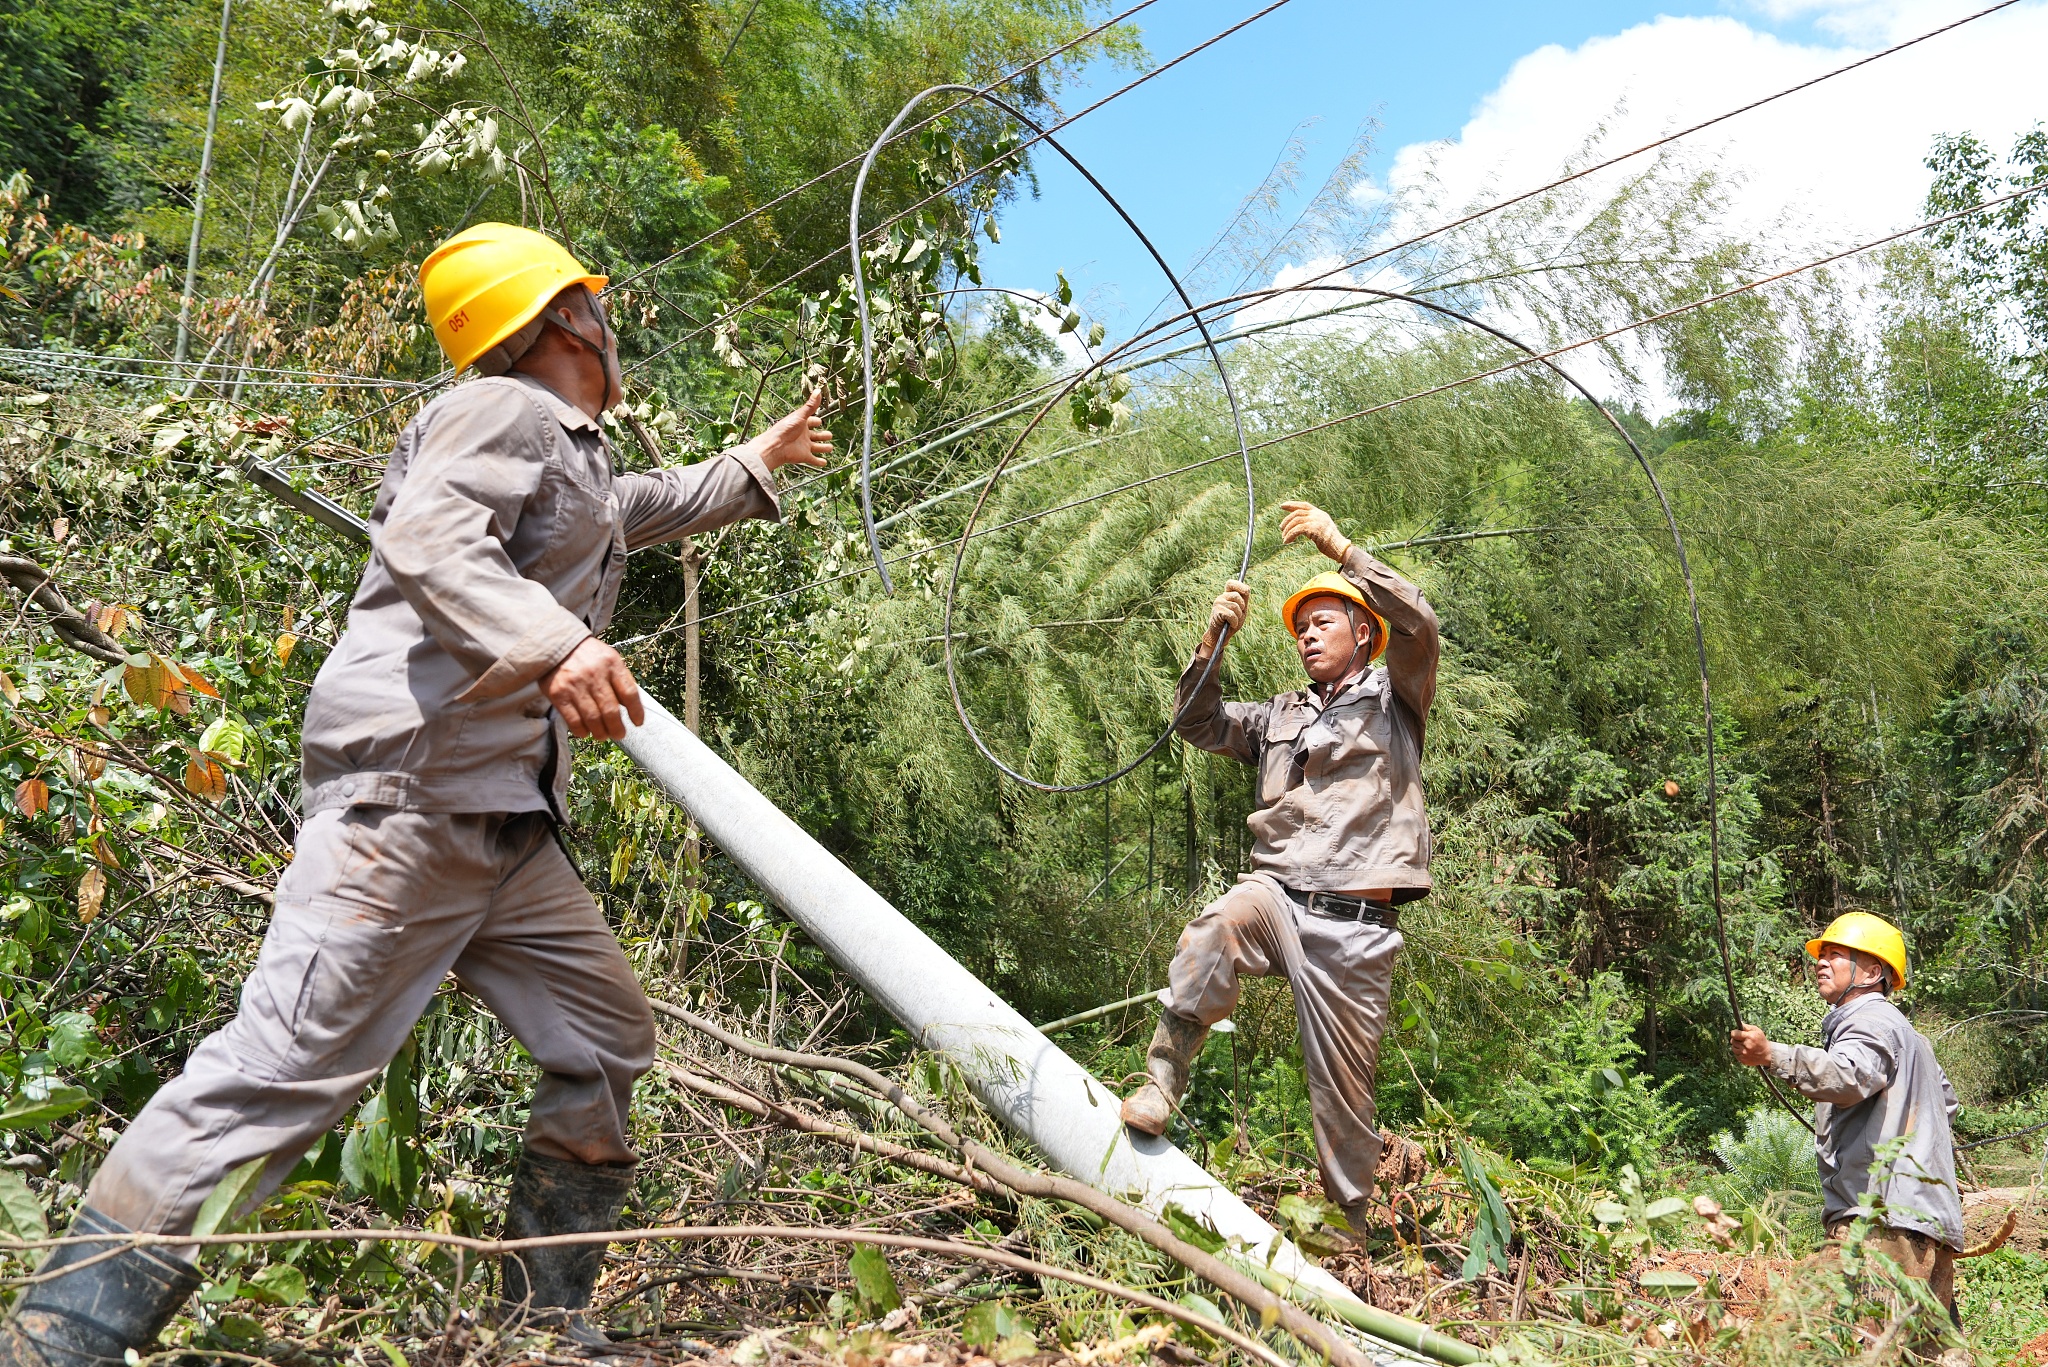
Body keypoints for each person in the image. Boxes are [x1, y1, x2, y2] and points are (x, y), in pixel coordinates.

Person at [0, 223, 833, 1364]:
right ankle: (55, 1343)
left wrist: (755, 462)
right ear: (561, 318)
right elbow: (431, 537)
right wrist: (557, 647)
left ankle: (545, 1326)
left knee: (601, 1033)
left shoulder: (569, 451)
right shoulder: (500, 411)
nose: (609, 313)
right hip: (407, 804)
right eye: (593, 297)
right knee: (274, 1074)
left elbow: (634, 501)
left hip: (499, 822)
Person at [1120, 501, 1439, 1235]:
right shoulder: (1280, 714)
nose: (1305, 635)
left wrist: (1341, 547)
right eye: (1299, 627)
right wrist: (1214, 638)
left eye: (1321, 622)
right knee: (1218, 926)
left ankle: (1346, 1233)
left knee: (1344, 1097)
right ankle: (1164, 1076)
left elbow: (1418, 623)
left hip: (1356, 923)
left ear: (1363, 632)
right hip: (1278, 895)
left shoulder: (1399, 698)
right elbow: (1198, 724)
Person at [1730, 911, 1964, 1315]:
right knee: (1924, 1353)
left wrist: (1773, 1055)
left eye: (1836, 955)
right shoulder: (1910, 1036)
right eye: (1821, 956)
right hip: (1928, 1224)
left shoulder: (1869, 1021)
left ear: (1873, 972)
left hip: (1880, 1224)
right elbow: (1947, 1105)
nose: (1820, 963)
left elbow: (1848, 1075)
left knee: (1855, 1344)